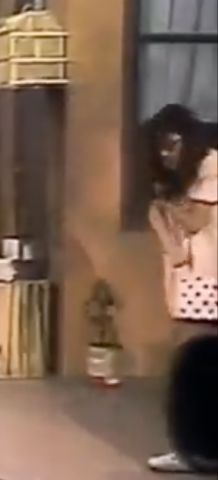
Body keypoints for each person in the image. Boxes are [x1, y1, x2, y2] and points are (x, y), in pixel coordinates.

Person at [143, 104, 217, 473]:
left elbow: (195, 220)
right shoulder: (184, 179)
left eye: (172, 144)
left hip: (209, 277)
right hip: (192, 277)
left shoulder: (211, 166)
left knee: (194, 360)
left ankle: (194, 447)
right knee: (193, 363)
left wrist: (165, 206)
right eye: (160, 146)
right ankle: (192, 446)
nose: (166, 154)